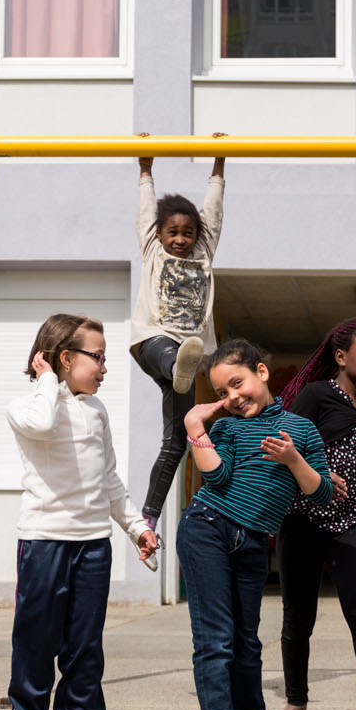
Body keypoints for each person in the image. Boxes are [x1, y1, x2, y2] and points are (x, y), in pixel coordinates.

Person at [4, 314, 158, 710]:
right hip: (44, 541)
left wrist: (136, 526)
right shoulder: (27, 405)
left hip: (93, 544)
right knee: (35, 642)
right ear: (65, 358)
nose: (105, 368)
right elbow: (41, 423)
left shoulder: (96, 410)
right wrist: (48, 379)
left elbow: (109, 479)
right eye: (98, 357)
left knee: (84, 645)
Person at [178, 339, 335, 710]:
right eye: (222, 393)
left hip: (251, 543)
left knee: (246, 642)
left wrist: (292, 459)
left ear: (261, 373)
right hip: (207, 529)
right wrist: (197, 427)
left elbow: (320, 492)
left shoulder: (301, 430)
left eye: (237, 383)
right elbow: (218, 477)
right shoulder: (225, 427)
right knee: (216, 641)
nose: (232, 397)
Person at [270, 317, 356, 710]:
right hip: (302, 520)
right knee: (298, 617)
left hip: (351, 524)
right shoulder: (316, 396)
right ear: (341, 357)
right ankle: (295, 700)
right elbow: (282, 449)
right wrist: (317, 474)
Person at [129, 138, 226, 531]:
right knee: (174, 354)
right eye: (174, 232)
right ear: (161, 233)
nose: (181, 239)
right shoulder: (153, 249)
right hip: (155, 343)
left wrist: (219, 164)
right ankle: (177, 367)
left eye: (188, 233)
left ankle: (148, 519)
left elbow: (214, 215)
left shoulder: (204, 251)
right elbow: (145, 213)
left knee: (176, 441)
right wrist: (145, 170)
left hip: (185, 356)